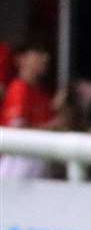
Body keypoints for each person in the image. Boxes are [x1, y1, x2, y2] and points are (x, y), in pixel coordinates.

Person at [0, 41, 58, 179]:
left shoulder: (44, 96)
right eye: (38, 53)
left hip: (41, 165)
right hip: (16, 163)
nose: (45, 58)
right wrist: (53, 126)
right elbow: (18, 132)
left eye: (46, 54)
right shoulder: (19, 88)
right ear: (21, 59)